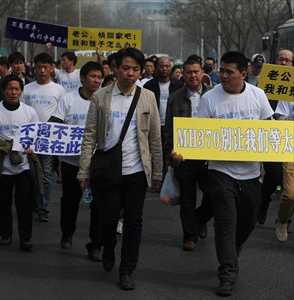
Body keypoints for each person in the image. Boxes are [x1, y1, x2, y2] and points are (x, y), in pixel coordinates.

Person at [175, 51, 273, 297]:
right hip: (220, 172)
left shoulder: (258, 96)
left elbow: (269, 131)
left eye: (230, 72)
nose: (224, 76)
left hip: (251, 172)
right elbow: (198, 135)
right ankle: (227, 272)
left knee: (247, 222)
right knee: (225, 223)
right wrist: (182, 152)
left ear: (244, 73)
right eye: (222, 71)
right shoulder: (210, 99)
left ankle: (233, 248)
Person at [78, 48, 162, 290]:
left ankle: (127, 269)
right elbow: (89, 136)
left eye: (136, 69)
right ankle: (108, 248)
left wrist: (157, 172)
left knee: (134, 221)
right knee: (107, 219)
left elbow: (154, 138)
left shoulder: (147, 98)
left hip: (136, 171)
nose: (131, 73)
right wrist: (83, 170)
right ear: (115, 68)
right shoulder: (101, 97)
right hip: (107, 171)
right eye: (126, 68)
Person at [0, 75, 40, 251]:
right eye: (10, 89)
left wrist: (32, 147)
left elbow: (37, 136)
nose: (13, 92)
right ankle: (5, 234)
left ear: (21, 91)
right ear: (3, 91)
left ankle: (26, 237)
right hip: (1, 165)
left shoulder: (29, 112)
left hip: (24, 165)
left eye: (17, 89)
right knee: (3, 202)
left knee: (24, 203)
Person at [49, 61, 103, 260]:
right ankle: (67, 232)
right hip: (72, 162)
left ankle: (95, 244)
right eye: (92, 77)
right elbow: (55, 124)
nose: (96, 80)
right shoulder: (68, 99)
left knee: (98, 204)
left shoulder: (106, 99)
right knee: (70, 202)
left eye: (99, 77)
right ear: (82, 78)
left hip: (98, 164)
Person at [164, 58, 213, 251]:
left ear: (203, 73)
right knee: (187, 199)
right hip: (184, 157)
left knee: (214, 195)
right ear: (183, 75)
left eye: (196, 71)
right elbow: (168, 129)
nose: (193, 75)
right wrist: (171, 153)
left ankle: (199, 219)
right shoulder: (175, 98)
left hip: (210, 156)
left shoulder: (214, 94)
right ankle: (189, 235)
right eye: (189, 72)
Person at [21, 53, 66, 222]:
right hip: (30, 138)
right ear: (34, 67)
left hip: (49, 139)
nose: (42, 70)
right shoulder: (27, 88)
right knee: (31, 173)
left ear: (51, 69)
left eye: (46, 67)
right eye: (39, 67)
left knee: (47, 174)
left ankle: (43, 208)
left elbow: (63, 114)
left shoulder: (59, 90)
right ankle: (34, 202)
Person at [258, 49, 293, 224]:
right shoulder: (265, 83)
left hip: (290, 140)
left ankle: (286, 218)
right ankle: (263, 202)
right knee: (273, 174)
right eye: (281, 59)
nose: (284, 63)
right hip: (271, 136)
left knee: (288, 181)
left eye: (288, 60)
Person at [273, 99, 294, 242]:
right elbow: (279, 118)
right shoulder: (287, 92)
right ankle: (282, 220)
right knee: (290, 194)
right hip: (291, 147)